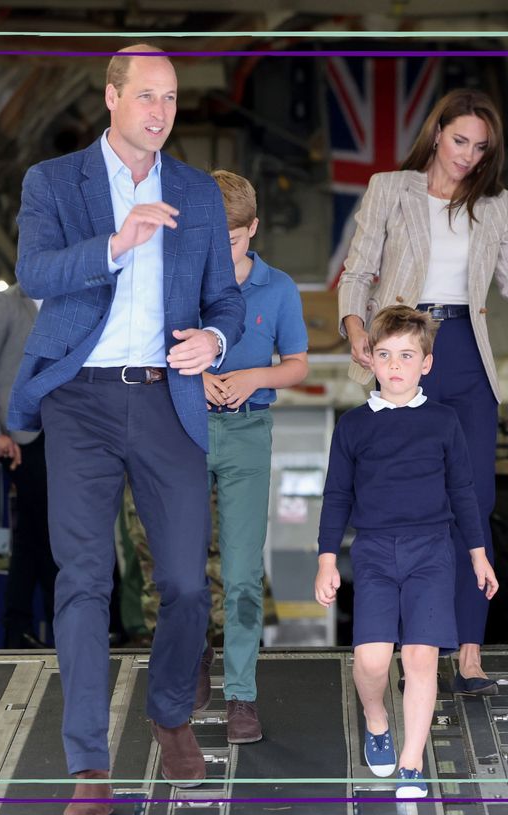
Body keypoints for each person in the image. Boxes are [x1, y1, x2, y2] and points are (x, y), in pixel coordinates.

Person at [6, 44, 245, 815]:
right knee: (83, 580)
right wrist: (116, 242)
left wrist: (212, 339)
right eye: (146, 96)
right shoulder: (54, 182)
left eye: (171, 98)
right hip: (80, 399)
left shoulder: (198, 195)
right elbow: (34, 273)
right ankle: (89, 765)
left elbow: (226, 302)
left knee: (183, 584)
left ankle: (169, 710)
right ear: (111, 98)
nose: (162, 112)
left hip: (166, 399)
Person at [337, 89, 508, 694]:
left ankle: (467, 653)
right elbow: (357, 274)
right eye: (459, 140)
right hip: (401, 350)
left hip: (464, 353)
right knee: (396, 501)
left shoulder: (494, 205)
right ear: (437, 133)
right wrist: (357, 330)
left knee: (474, 503)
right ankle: (409, 647)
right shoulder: (391, 188)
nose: (467, 155)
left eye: (480, 147)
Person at [315, 305, 498, 798]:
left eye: (407, 355)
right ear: (370, 361)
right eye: (385, 354)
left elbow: (463, 490)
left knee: (420, 659)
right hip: (374, 553)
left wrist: (479, 555)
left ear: (426, 364)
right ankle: (377, 722)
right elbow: (336, 494)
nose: (395, 365)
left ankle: (412, 764)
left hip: (432, 551)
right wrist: (327, 558)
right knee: (372, 662)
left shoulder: (444, 422)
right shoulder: (353, 426)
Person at [200, 169, 309, 744]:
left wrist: (253, 377)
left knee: (241, 574)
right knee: (182, 567)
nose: (223, 253)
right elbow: (152, 348)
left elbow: (297, 363)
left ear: (254, 230)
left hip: (247, 432)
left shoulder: (279, 288)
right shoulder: (182, 279)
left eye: (235, 242)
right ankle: (192, 656)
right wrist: (195, 384)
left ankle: (240, 694)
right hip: (185, 430)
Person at [0, 282, 55, 648]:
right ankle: (49, 626)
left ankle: (17, 627)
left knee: (33, 533)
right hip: (20, 438)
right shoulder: (3, 302)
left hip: (59, 433)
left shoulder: (67, 300)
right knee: (49, 531)